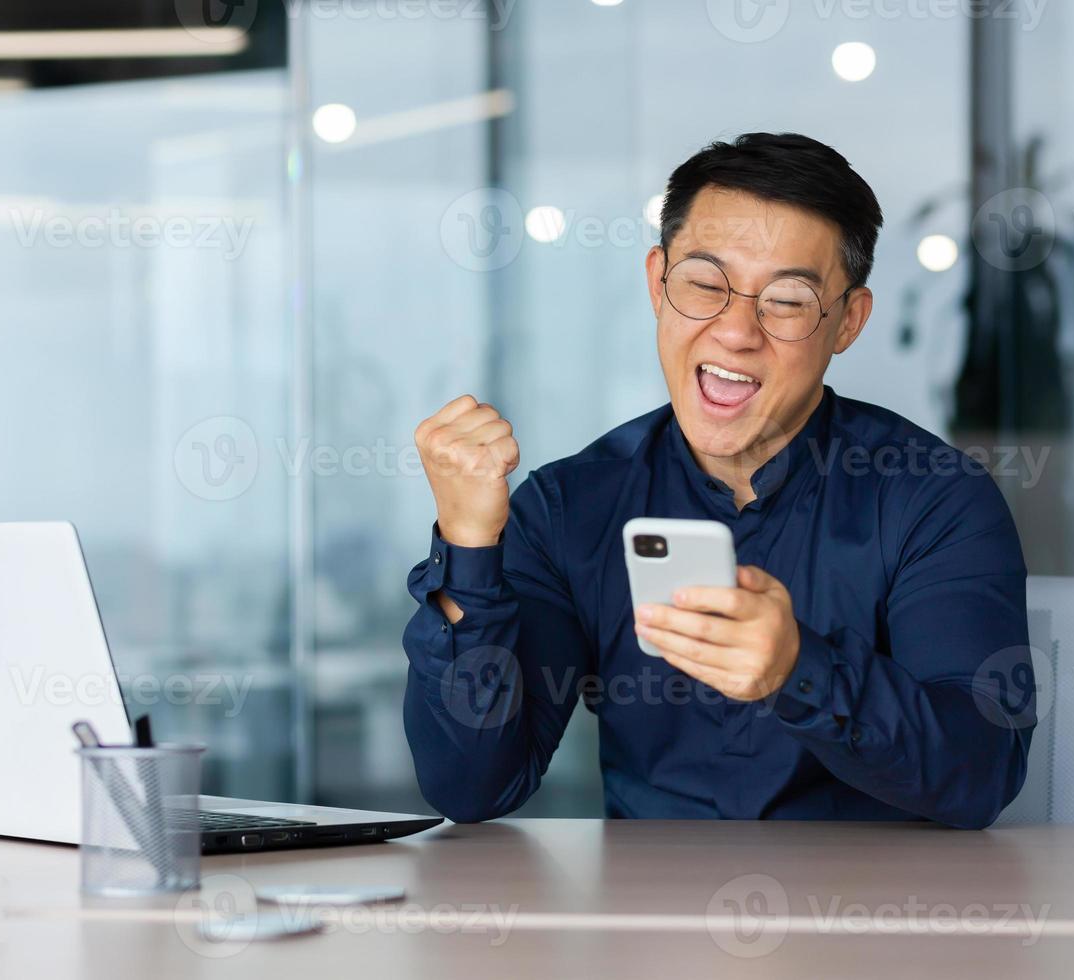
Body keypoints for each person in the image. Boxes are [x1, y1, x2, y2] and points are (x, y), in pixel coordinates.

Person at [402, 133, 1033, 829]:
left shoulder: (935, 500)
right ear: (657, 284)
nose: (736, 331)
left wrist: (800, 670)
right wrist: (468, 549)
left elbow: (982, 771)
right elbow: (471, 786)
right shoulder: (569, 508)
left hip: (875, 920)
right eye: (705, 284)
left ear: (847, 321)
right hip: (647, 920)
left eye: (787, 301)